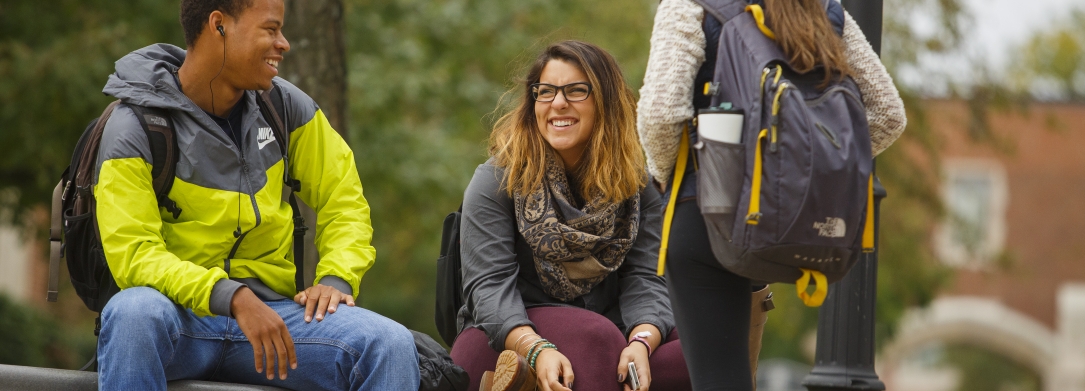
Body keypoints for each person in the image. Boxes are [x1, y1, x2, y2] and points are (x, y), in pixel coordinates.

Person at [92, 0, 419, 389]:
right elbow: (134, 254)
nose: (283, 43)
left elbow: (343, 198)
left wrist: (337, 279)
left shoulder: (286, 108)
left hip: (275, 321)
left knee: (390, 343)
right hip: (176, 319)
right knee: (133, 313)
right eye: (270, 29)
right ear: (219, 26)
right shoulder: (133, 126)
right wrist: (230, 296)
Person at [637, 0, 908, 389]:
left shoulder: (689, 5)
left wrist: (666, 177)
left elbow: (661, 112)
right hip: (788, 222)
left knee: (719, 381)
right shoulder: (826, 11)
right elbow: (887, 115)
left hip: (708, 212)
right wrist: (801, 179)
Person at [449, 40, 691, 391]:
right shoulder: (497, 180)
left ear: (605, 102)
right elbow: (488, 289)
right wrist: (536, 349)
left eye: (576, 91)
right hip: (503, 338)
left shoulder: (637, 187)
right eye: (545, 92)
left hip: (607, 332)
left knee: (696, 350)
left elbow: (646, 279)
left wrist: (642, 340)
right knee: (597, 340)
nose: (558, 103)